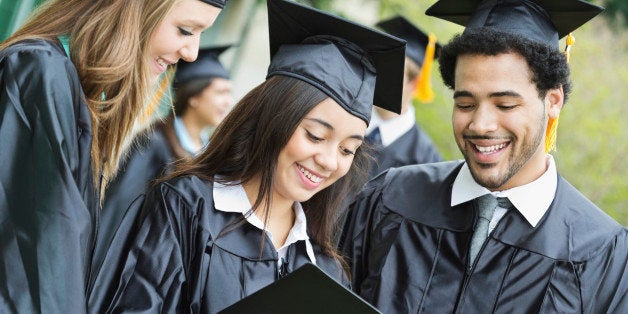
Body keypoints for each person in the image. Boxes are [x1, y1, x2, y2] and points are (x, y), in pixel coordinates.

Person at [93, 0, 405, 313]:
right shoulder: (186, 206)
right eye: (315, 136)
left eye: (347, 149)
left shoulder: (326, 269)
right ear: (272, 118)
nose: (329, 160)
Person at [339, 0, 628, 313]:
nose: (480, 125)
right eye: (465, 104)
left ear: (553, 101)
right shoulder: (390, 199)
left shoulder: (602, 253)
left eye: (505, 105)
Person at [0, 0, 226, 312]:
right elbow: (37, 263)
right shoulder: (40, 73)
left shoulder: (71, 88)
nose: (191, 53)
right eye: (185, 30)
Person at [90, 45, 235, 293]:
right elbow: (116, 215)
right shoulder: (151, 144)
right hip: (130, 275)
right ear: (194, 96)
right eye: (221, 92)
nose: (228, 102)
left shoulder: (208, 157)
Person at [365, 15, 443, 179]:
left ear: (414, 84)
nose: (380, 77)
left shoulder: (427, 162)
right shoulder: (347, 120)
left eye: (392, 73)